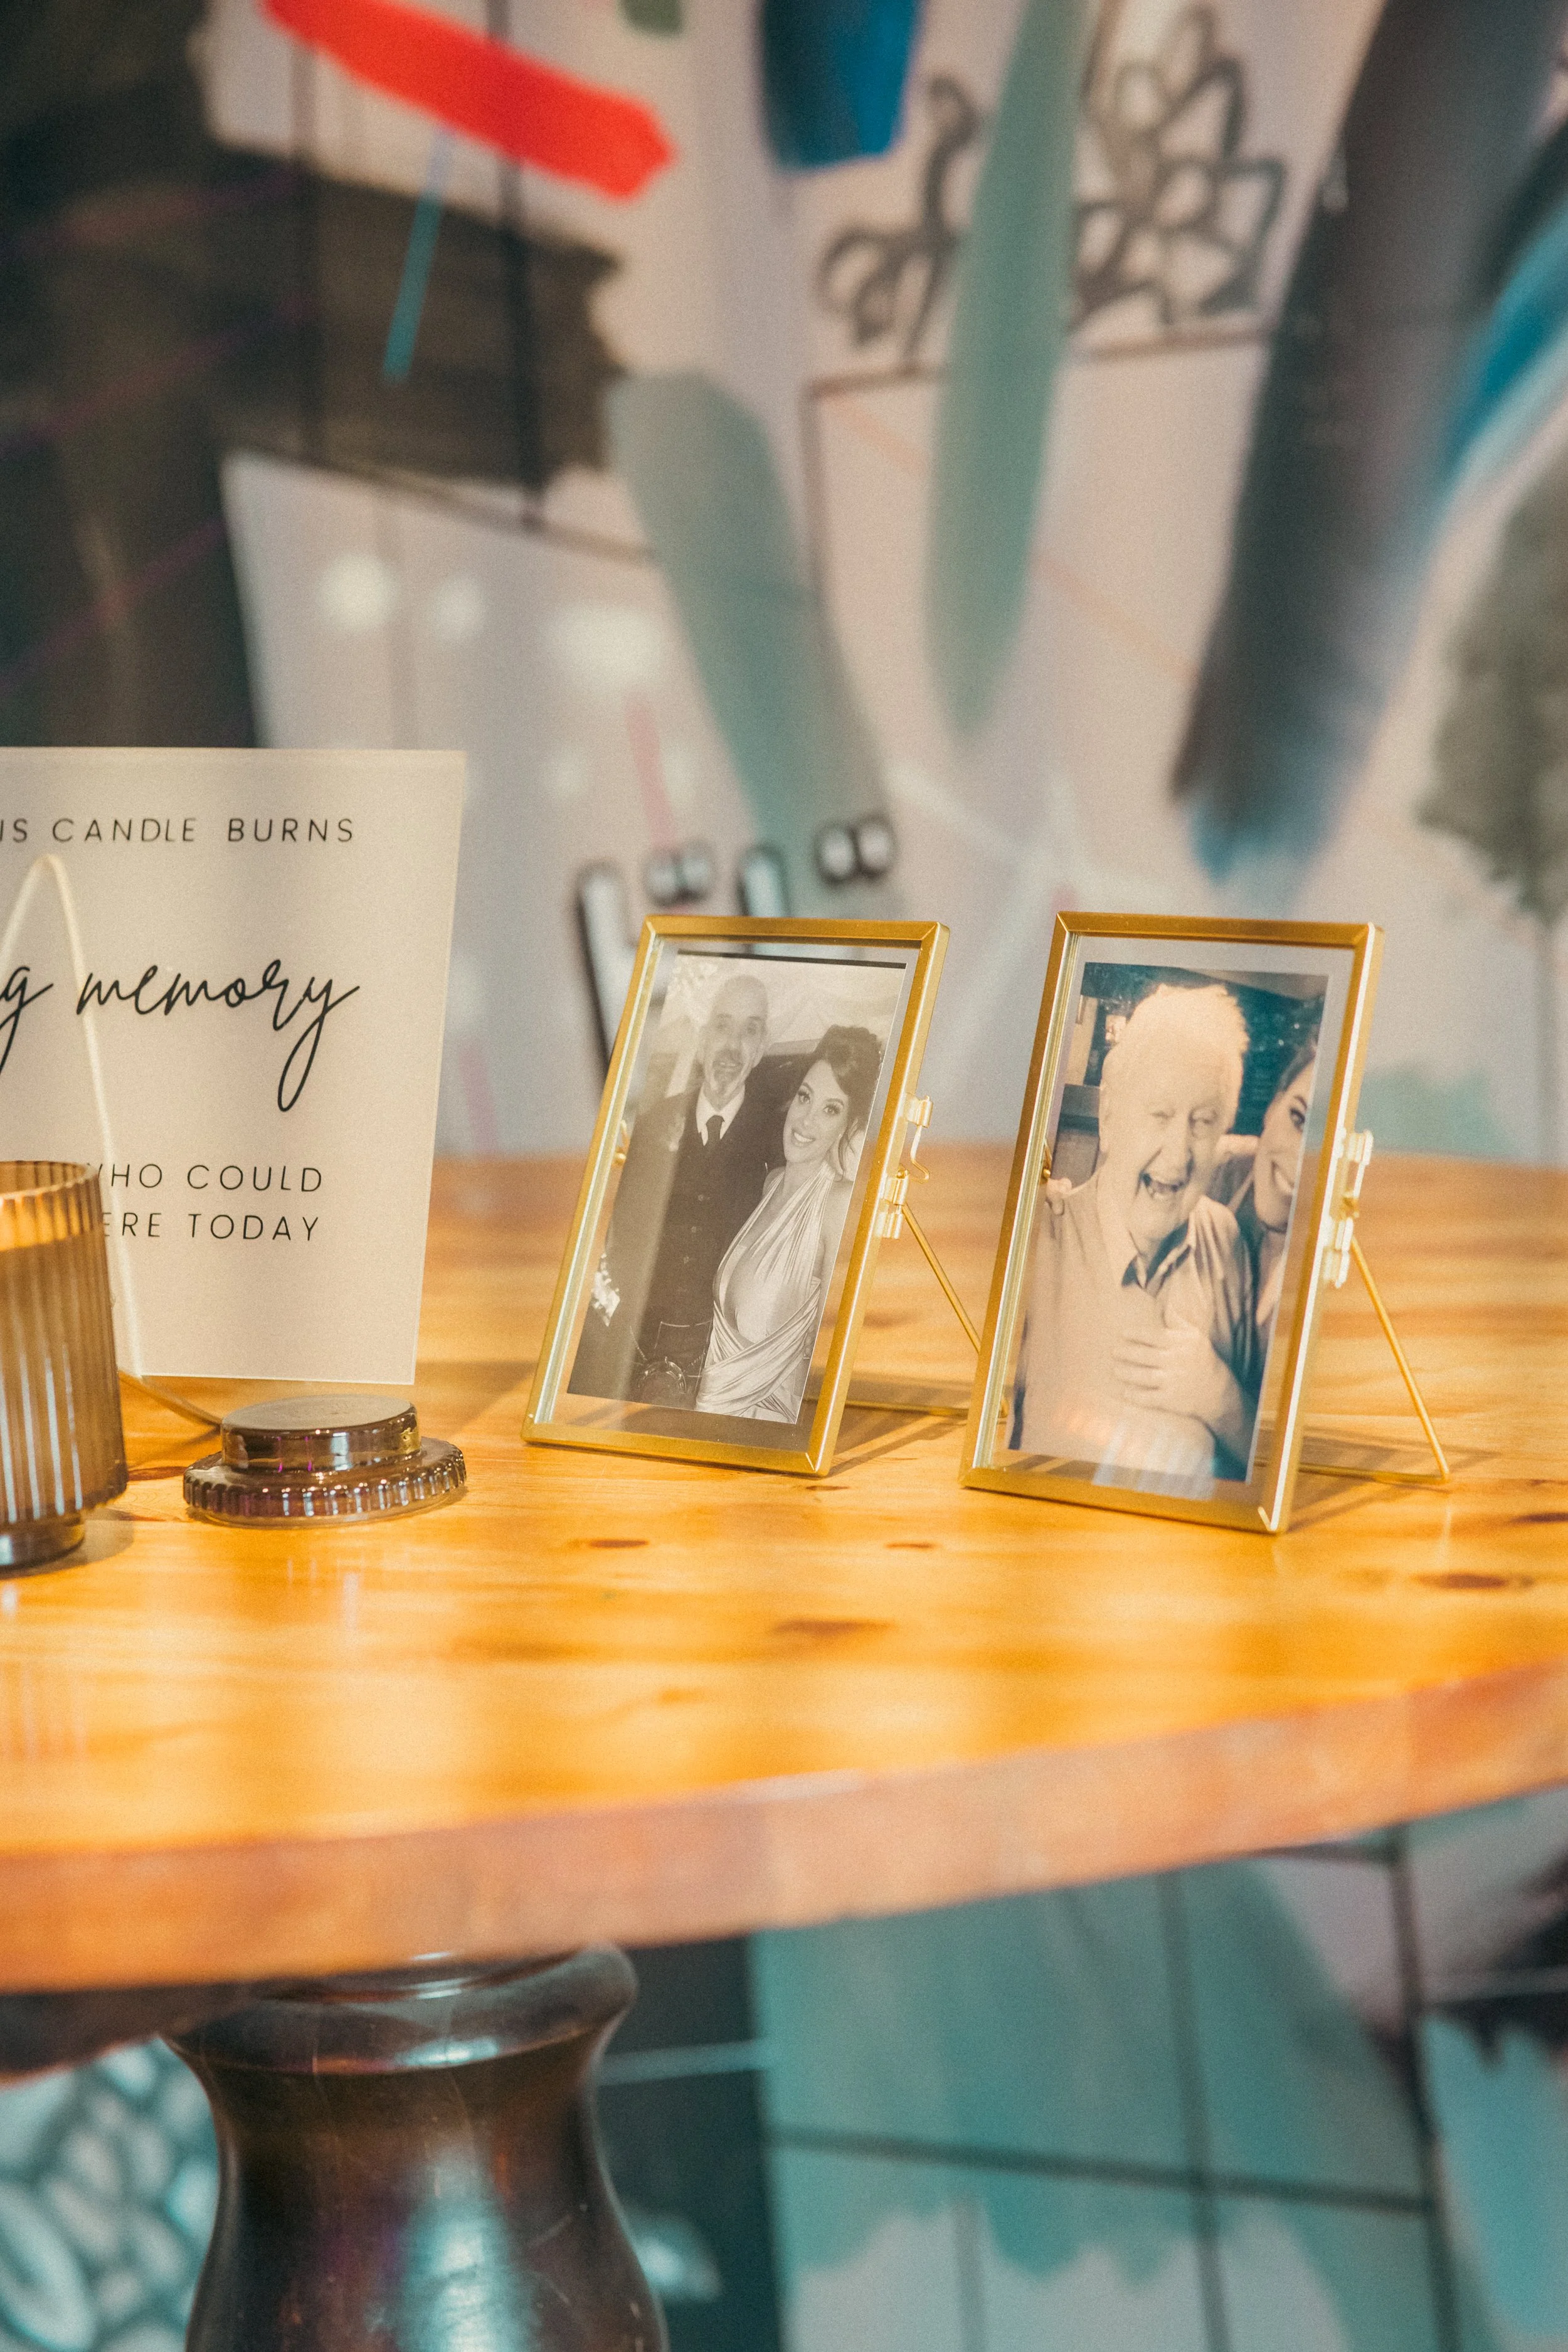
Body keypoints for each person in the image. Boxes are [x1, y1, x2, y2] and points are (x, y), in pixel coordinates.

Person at [1019, 983, 1258, 1482]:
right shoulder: (1038, 1241)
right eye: (1160, 1114)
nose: (1178, 1151)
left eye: (1203, 1122)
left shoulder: (1226, 1241)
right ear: (1109, 1117)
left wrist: (1222, 1399)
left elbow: (1260, 1466)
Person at [569, 972, 779, 1404]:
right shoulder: (651, 1125)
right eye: (722, 1026)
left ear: (760, 1049)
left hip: (721, 1356)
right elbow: (617, 1237)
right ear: (702, 1041)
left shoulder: (778, 1141)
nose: (732, 1046)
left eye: (749, 1031)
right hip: (631, 1341)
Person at [696, 1025, 882, 1423]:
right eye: (805, 1096)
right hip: (709, 1414)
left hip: (766, 1430)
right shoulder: (772, 1182)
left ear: (849, 1125)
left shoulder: (837, 1204)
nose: (806, 1120)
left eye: (831, 1109)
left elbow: (833, 1349)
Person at [1209, 1044, 1318, 1362]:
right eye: (1299, 1119)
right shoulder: (1216, 1176)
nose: (1300, 1160)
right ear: (1273, 1108)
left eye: (1326, 1145)